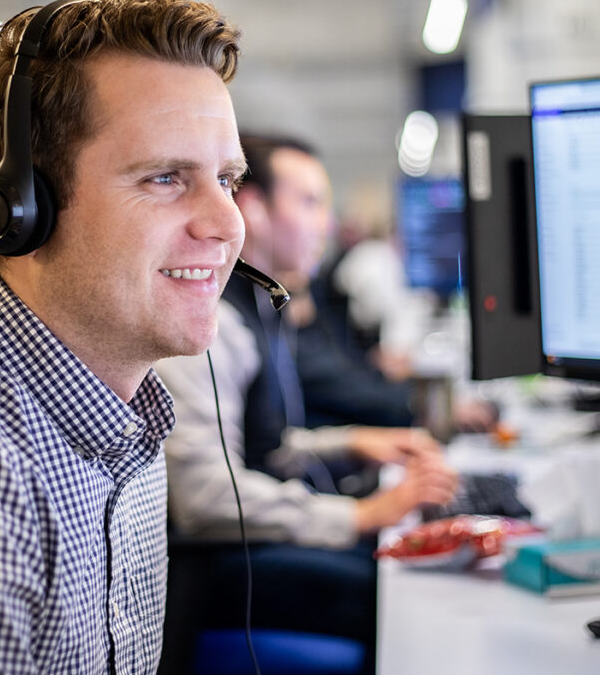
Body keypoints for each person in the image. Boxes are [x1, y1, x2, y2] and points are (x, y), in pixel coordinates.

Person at [0, 0, 246, 675]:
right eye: (166, 178)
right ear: (21, 209)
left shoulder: (128, 417)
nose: (227, 225)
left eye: (228, 180)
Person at [155, 134, 458, 673]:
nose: (326, 223)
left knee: (402, 568)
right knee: (397, 596)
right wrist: (360, 514)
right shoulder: (207, 327)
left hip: (255, 537)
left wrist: (355, 444)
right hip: (217, 567)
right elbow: (205, 496)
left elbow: (263, 447)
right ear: (255, 211)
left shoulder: (260, 311)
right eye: (310, 202)